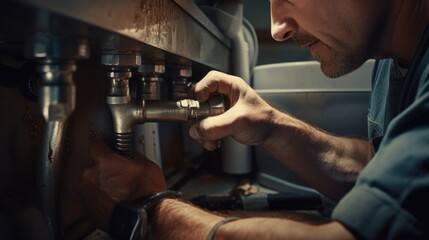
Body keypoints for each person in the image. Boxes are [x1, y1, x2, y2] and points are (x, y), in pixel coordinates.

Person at [80, 0, 429, 239]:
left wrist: (147, 212)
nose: (276, 28)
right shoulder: (392, 59)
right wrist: (271, 126)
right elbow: (379, 167)